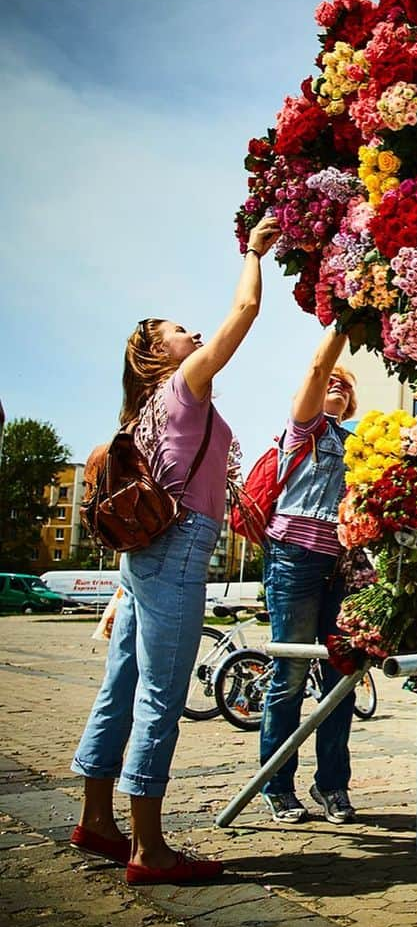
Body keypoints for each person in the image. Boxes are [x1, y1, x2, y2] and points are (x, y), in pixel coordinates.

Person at [71, 214, 280, 885]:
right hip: (181, 546)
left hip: (144, 556)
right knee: (160, 696)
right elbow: (245, 309)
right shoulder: (183, 388)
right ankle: (149, 849)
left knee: (120, 687)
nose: (194, 336)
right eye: (180, 333)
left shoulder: (141, 411)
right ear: (160, 355)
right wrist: (253, 250)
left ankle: (97, 820)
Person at [259, 327, 359, 824]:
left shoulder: (358, 444)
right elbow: (319, 368)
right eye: (331, 382)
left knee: (341, 677)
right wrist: (342, 322)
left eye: (347, 384)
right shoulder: (304, 428)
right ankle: (277, 784)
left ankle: (332, 787)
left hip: (339, 567)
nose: (337, 385)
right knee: (291, 674)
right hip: (293, 559)